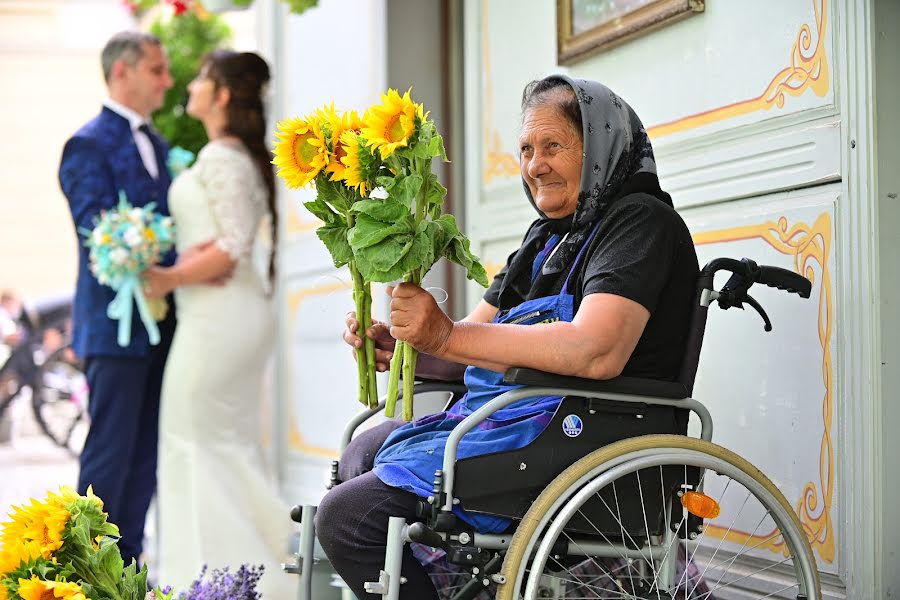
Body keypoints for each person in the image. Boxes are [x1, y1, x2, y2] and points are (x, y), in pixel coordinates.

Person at [315, 74, 700, 599]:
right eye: (525, 149)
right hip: (517, 418)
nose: (535, 164)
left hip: (584, 435)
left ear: (600, 146)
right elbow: (471, 345)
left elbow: (596, 350)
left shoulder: (639, 224)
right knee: (363, 454)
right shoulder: (546, 236)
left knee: (348, 517)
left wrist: (445, 335)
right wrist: (412, 346)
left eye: (553, 146)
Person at [141, 50, 294, 597]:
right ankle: (236, 576)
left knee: (195, 442)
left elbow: (231, 249)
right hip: (218, 316)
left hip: (218, 319)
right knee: (218, 444)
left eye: (203, 78)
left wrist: (165, 277)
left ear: (222, 94)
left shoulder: (224, 157)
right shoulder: (227, 155)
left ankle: (215, 580)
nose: (192, 85)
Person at [58, 31, 175, 566]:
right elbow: (94, 230)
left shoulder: (160, 142)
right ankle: (88, 571)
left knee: (146, 453)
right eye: (157, 69)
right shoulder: (87, 143)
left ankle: (129, 567)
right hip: (112, 326)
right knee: (110, 450)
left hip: (167, 322)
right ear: (122, 72)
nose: (167, 81)